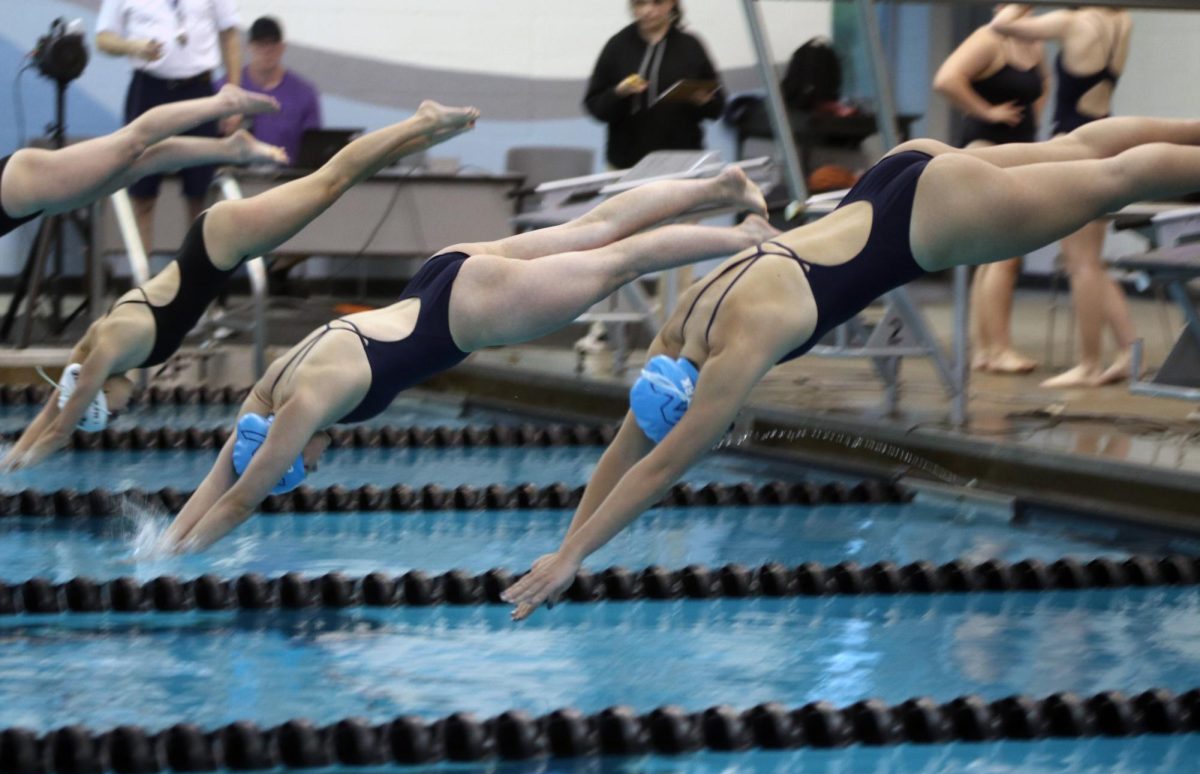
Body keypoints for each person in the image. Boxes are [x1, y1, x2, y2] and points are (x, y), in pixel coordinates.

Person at [502, 115, 1200, 620]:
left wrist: (573, 559)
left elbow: (656, 466)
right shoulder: (681, 322)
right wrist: (568, 550)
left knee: (1116, 181)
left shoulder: (740, 352)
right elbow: (629, 443)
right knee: (1073, 148)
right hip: (894, 175)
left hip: (935, 217)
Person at [161, 163, 773, 552]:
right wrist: (163, 543)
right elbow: (222, 476)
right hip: (439, 276)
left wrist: (175, 566)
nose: (315, 466)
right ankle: (719, 187)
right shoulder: (269, 388)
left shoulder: (304, 406)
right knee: (598, 227)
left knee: (620, 260)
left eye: (301, 467)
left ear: (287, 447)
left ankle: (745, 238)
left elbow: (241, 498)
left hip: (469, 313)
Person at [0, 101, 475, 472]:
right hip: (222, 246)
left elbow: (61, 424)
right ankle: (422, 130)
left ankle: (422, 121)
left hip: (223, 243)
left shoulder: (112, 346)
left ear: (100, 398)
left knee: (332, 181)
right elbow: (57, 408)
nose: (123, 411)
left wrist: (28, 458)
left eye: (108, 411)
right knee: (336, 183)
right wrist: (14, 457)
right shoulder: (99, 353)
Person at [991, 6, 1134, 387]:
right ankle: (1127, 350)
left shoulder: (1070, 23)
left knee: (1081, 264)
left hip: (1076, 144)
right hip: (1108, 135)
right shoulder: (1124, 21)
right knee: (1093, 262)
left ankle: (1089, 364)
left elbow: (1000, 24)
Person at [0, 84, 279, 240]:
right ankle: (231, 150)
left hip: (19, 185)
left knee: (132, 143)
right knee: (140, 165)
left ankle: (225, 102)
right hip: (19, 206)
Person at [933, 4, 1048, 374]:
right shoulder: (989, 39)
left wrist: (1036, 128)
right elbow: (946, 79)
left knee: (995, 257)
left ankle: (986, 350)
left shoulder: (1033, 41)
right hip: (987, 153)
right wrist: (987, 112)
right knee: (1006, 256)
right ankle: (998, 349)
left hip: (1019, 151)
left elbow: (1042, 86)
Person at [96, 0, 243, 253]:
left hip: (199, 90)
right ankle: (143, 284)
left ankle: (193, 280)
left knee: (200, 194)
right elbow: (103, 39)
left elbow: (229, 35)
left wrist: (234, 95)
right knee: (142, 193)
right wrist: (131, 46)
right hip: (149, 90)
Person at [584, 0, 724, 169]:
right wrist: (618, 93)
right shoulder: (617, 46)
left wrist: (704, 101)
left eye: (657, 3)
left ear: (671, 4)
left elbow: (718, 106)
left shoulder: (691, 46)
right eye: (640, 3)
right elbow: (594, 106)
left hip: (683, 162)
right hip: (626, 164)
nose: (647, 11)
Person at [223, 16, 321, 166]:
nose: (267, 50)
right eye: (261, 44)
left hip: (288, 178)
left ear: (282, 47)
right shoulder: (225, 88)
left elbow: (313, 148)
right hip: (236, 173)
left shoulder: (304, 93)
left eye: (272, 44)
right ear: (250, 46)